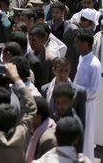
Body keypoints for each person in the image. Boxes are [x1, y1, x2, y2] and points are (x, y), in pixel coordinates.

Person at [72, 28, 101, 160]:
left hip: (87, 106)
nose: (74, 45)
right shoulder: (81, 58)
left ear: (85, 43)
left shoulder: (94, 64)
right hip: (77, 104)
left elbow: (95, 90)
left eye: (77, 42)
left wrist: (77, 93)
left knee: (86, 137)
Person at [41, 57, 87, 129]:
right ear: (54, 70)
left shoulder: (79, 92)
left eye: (66, 71)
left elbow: (81, 121)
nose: (63, 74)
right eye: (60, 71)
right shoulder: (45, 90)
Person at [25, 96, 57, 161]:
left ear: (38, 117)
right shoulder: (36, 129)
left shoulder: (48, 140)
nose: (25, 117)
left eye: (28, 114)